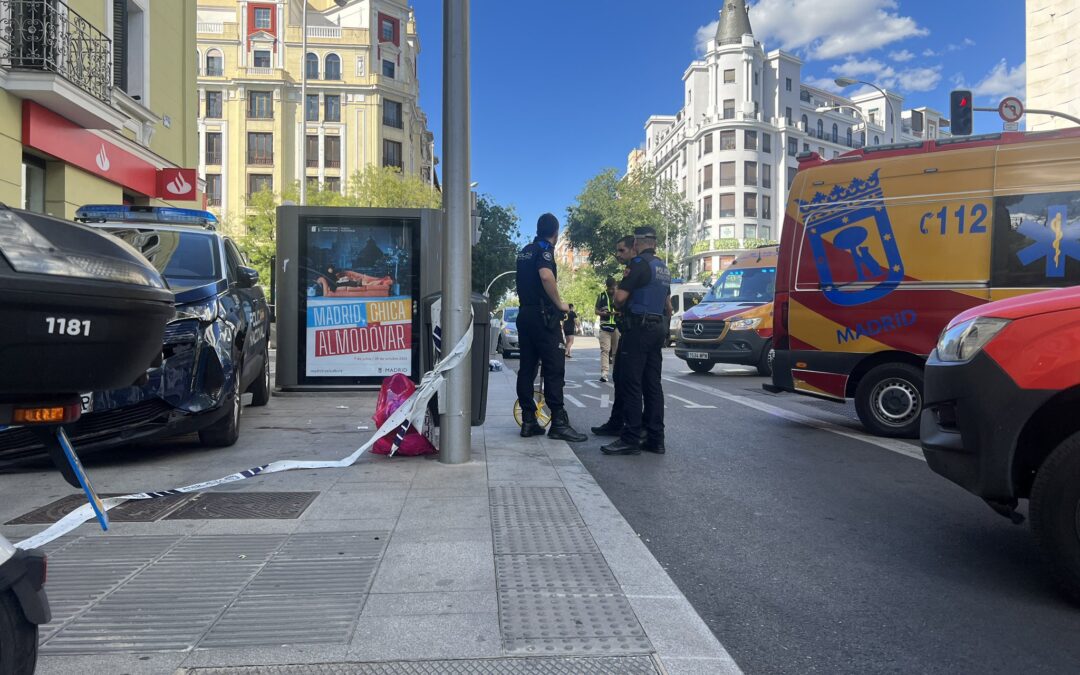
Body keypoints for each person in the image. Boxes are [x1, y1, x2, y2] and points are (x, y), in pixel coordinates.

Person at [515, 213, 588, 442]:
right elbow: (546, 276)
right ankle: (558, 422)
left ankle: (529, 420)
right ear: (555, 233)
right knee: (554, 367)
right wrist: (560, 304)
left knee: (527, 368)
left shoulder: (524, 250)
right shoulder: (544, 250)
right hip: (542, 317)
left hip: (525, 314)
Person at [601, 226, 671, 456]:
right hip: (657, 328)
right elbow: (668, 307)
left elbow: (620, 299)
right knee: (653, 384)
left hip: (638, 330)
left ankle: (630, 437)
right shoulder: (663, 268)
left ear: (638, 243)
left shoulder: (639, 263)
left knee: (631, 383)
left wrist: (617, 295)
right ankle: (655, 438)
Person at [591, 235, 636, 437]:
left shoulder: (636, 270)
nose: (618, 255)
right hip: (611, 328)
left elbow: (620, 302)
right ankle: (604, 373)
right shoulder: (602, 295)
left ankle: (629, 428)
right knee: (607, 354)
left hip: (624, 329)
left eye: (621, 251)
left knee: (625, 372)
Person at [595, 277, 619, 382]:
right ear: (607, 287)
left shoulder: (619, 295)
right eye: (610, 288)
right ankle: (604, 373)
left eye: (613, 288)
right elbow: (596, 311)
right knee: (605, 350)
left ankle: (616, 373)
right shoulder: (601, 296)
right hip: (605, 328)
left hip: (616, 327)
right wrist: (602, 313)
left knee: (616, 352)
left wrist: (617, 313)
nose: (611, 290)